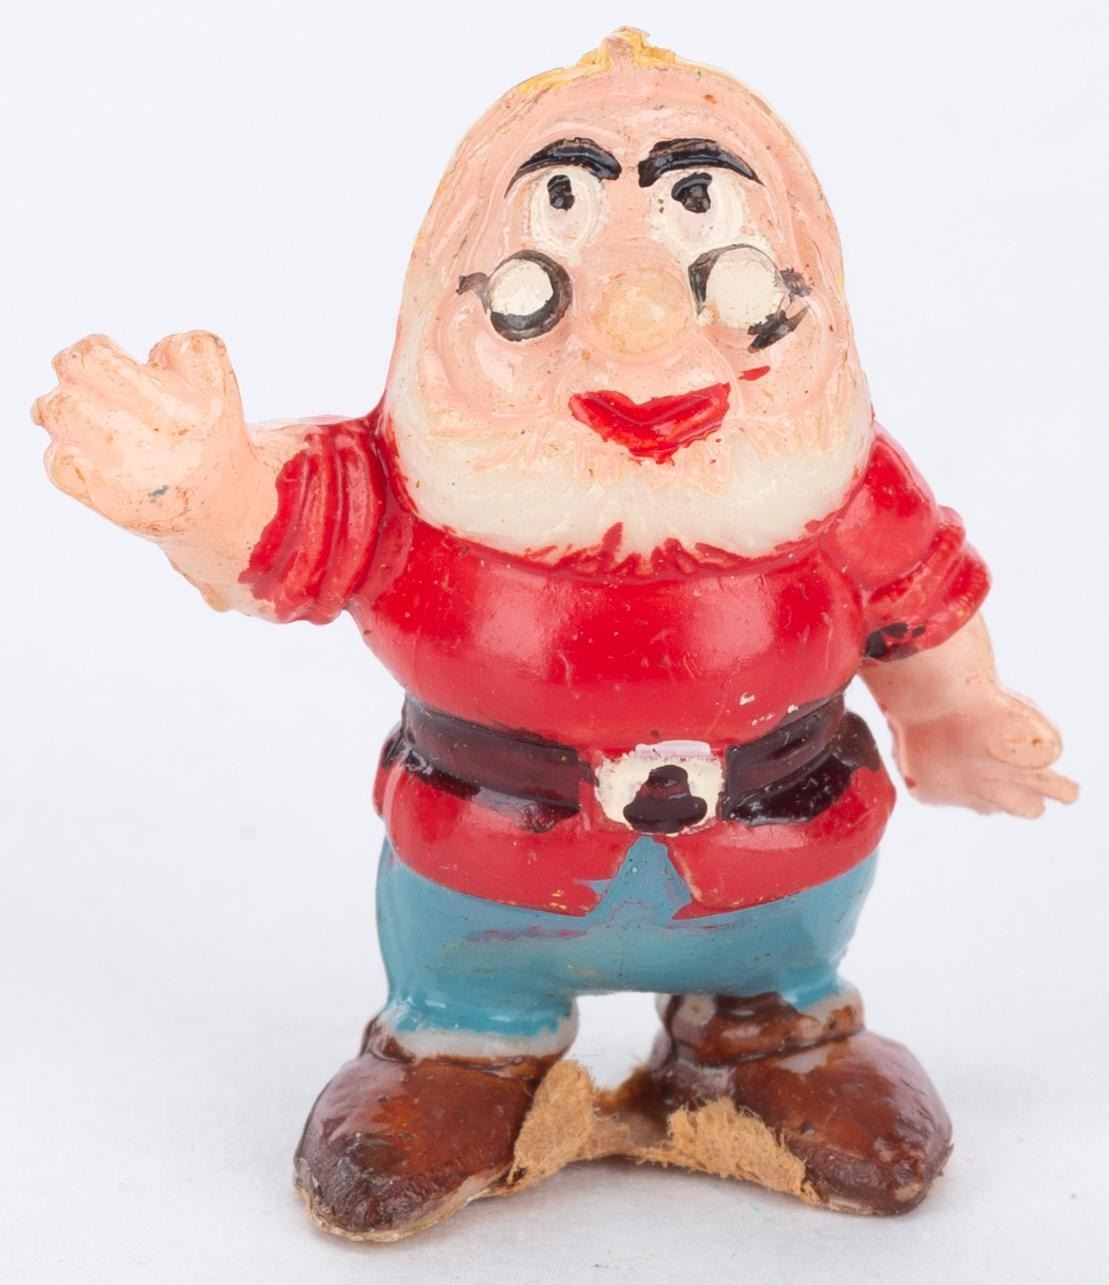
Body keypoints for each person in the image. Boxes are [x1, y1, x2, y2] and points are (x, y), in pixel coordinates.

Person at [33, 28, 1075, 1240]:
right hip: (488, 852)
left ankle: (770, 1034)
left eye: (718, 269)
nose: (636, 328)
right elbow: (277, 526)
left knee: (779, 968)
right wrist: (199, 488)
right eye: (542, 284)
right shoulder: (409, 488)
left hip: (775, 842)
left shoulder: (838, 490)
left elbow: (921, 603)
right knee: (468, 979)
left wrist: (955, 714)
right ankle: (463, 1052)